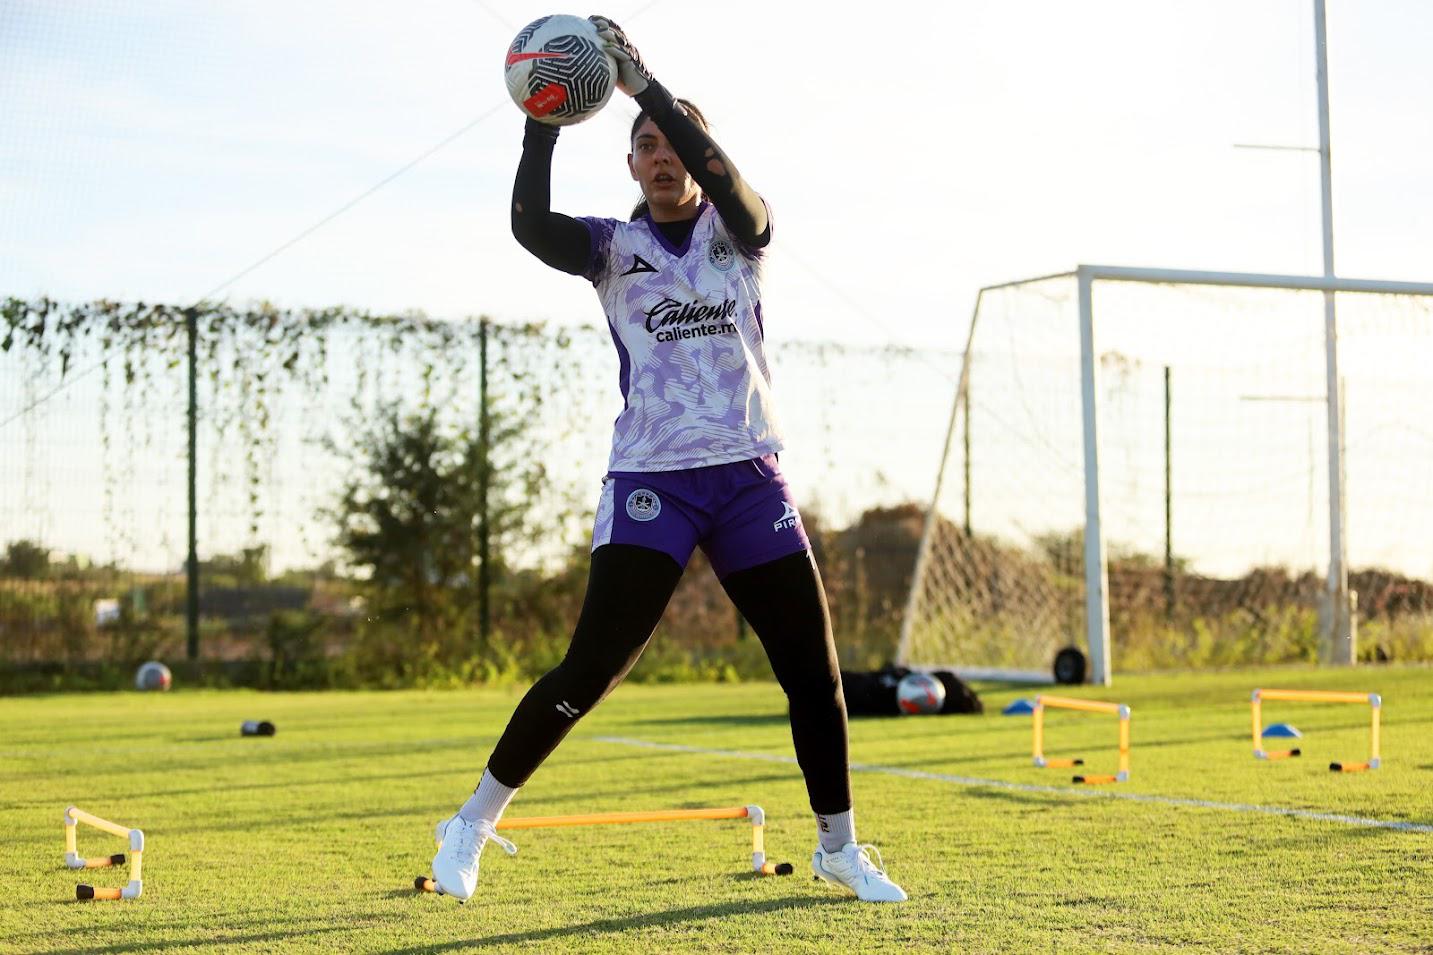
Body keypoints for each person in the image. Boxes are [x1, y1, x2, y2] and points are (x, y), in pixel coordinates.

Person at [431, 16, 905, 905]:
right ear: (628, 165)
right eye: (644, 145)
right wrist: (542, 116)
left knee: (814, 670)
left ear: (698, 155)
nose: (661, 156)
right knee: (592, 668)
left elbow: (738, 191)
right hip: (652, 479)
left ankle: (839, 847)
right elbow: (529, 224)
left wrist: (646, 87)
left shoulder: (741, 235)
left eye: (674, 143)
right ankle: (471, 823)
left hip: (747, 477)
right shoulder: (614, 249)